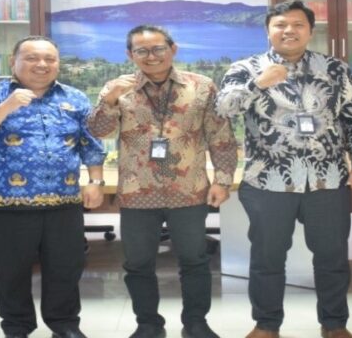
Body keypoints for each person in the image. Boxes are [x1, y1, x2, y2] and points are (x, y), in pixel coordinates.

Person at [215, 0, 352, 338]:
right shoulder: (246, 67)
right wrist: (259, 83)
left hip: (328, 179)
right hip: (268, 181)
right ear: (268, 30)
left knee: (332, 258)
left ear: (310, 31)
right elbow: (224, 109)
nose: (289, 31)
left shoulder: (335, 69)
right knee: (267, 258)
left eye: (298, 25)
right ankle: (266, 325)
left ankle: (334, 325)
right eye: (281, 25)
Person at [87, 25, 238, 338]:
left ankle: (196, 323)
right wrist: (109, 101)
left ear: (173, 49)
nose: (151, 56)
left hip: (189, 190)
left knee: (195, 261)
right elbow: (99, 132)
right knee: (138, 264)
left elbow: (221, 136)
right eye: (141, 50)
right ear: (130, 54)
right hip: (137, 192)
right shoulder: (117, 88)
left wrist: (222, 180)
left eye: (158, 49)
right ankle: (148, 325)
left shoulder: (202, 86)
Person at [0, 36, 105, 338]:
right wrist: (8, 105)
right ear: (13, 62)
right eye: (31, 58)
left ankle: (65, 325)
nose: (42, 64)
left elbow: (91, 144)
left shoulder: (74, 97)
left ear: (57, 64)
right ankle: (16, 327)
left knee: (66, 268)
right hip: (9, 203)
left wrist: (96, 181)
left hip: (63, 202)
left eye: (49, 59)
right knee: (12, 271)